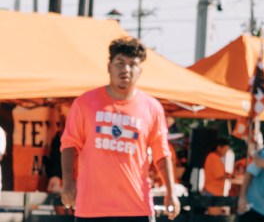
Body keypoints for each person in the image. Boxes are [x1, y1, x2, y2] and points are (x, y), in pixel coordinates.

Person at [59, 36, 181, 221]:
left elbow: (162, 154)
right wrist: (68, 182)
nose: (126, 69)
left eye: (132, 64)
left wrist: (171, 191)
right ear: (109, 66)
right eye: (120, 63)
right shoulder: (84, 103)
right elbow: (69, 144)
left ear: (140, 71)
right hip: (91, 208)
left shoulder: (152, 107)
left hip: (136, 208)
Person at [203, 137, 232, 214]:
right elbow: (219, 175)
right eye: (225, 150)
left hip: (215, 192)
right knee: (214, 217)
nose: (225, 152)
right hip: (212, 191)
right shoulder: (213, 157)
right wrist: (231, 176)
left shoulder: (215, 157)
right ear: (219, 148)